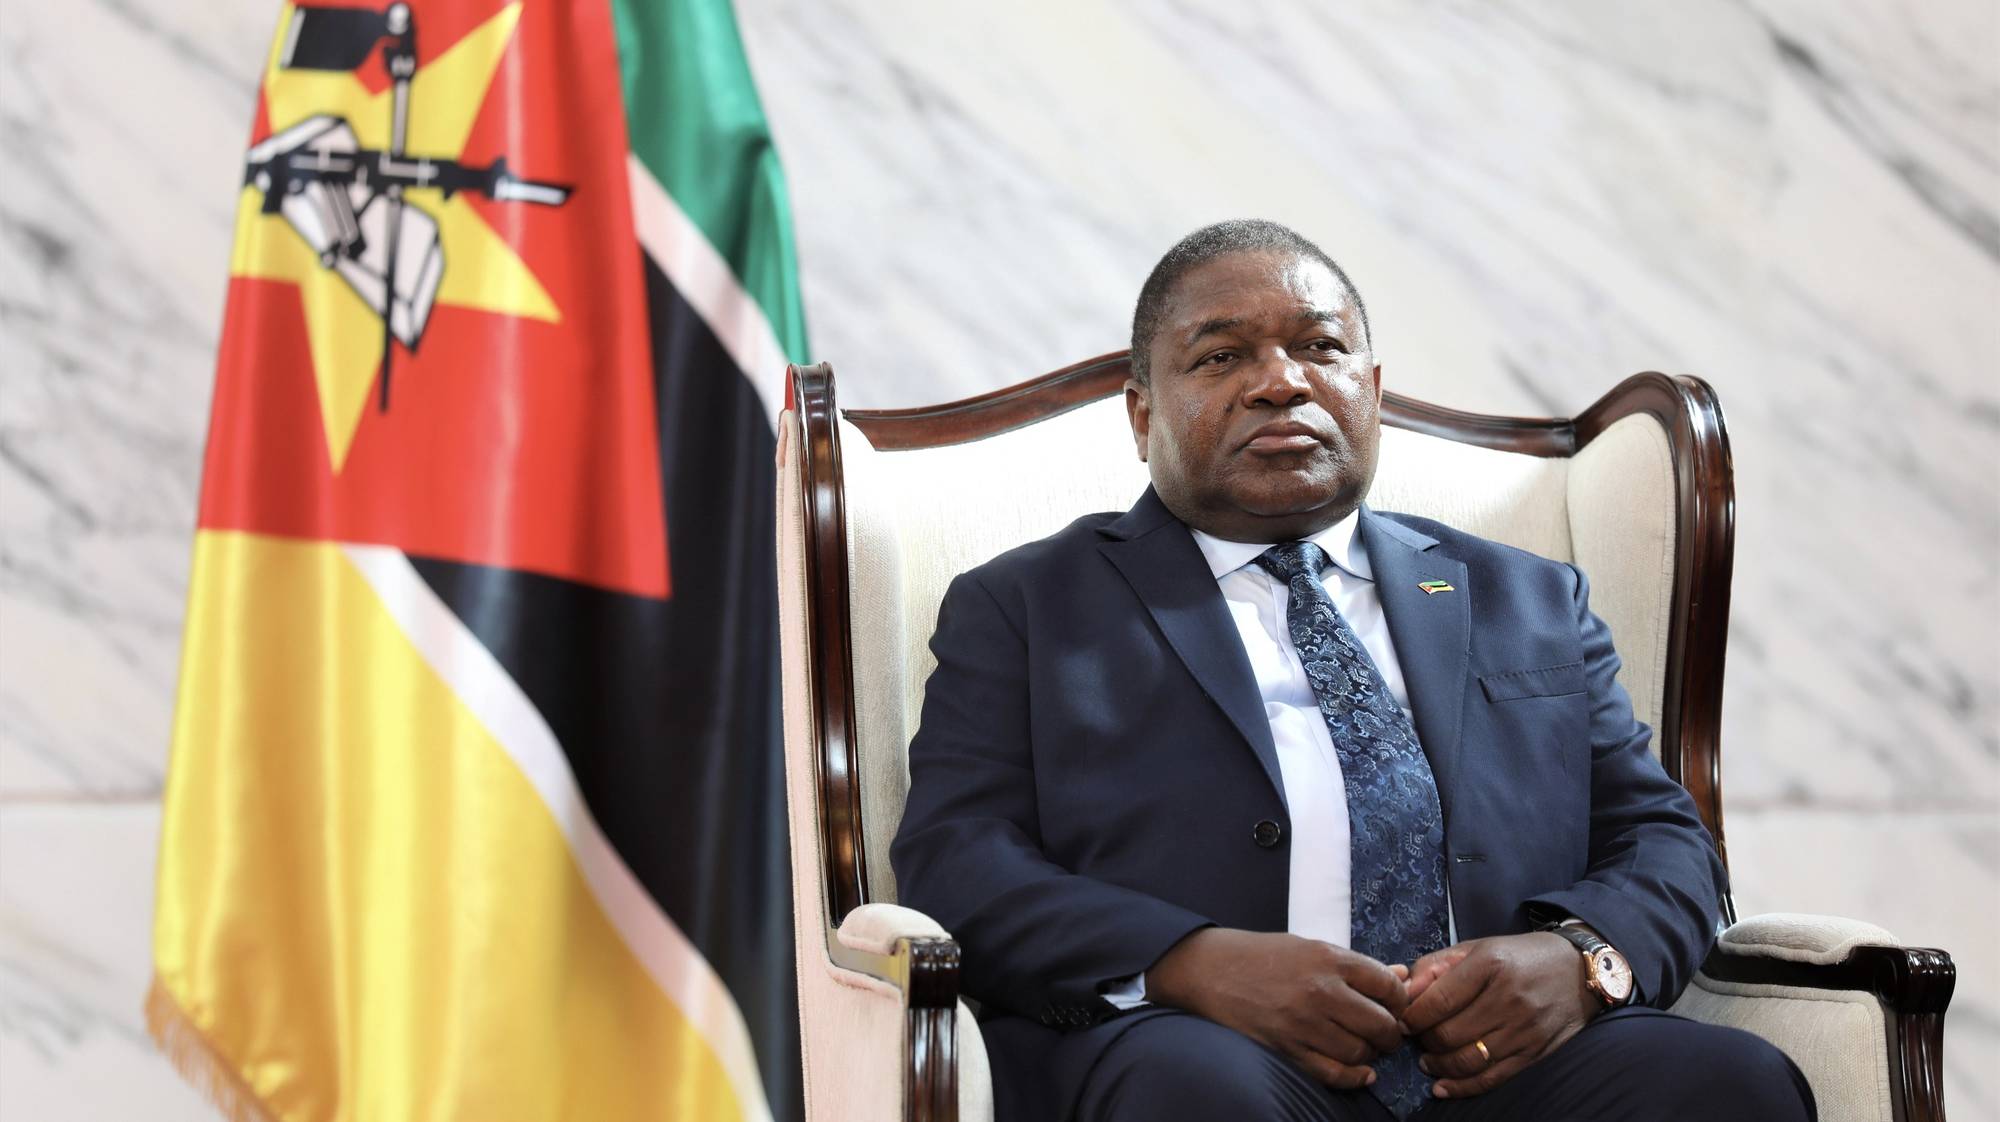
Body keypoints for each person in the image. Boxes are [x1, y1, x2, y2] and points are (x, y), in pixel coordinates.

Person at [888, 220, 1817, 1122]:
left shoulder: (1526, 597)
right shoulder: (1027, 606)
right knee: (1189, 1093)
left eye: (1319, 348)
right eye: (1220, 358)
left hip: (1501, 1066)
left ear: (1368, 390)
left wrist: (1579, 960)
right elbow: (958, 858)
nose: (1280, 383)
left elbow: (1663, 836)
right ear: (1142, 416)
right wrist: (1190, 962)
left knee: (1726, 1083)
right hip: (1204, 1047)